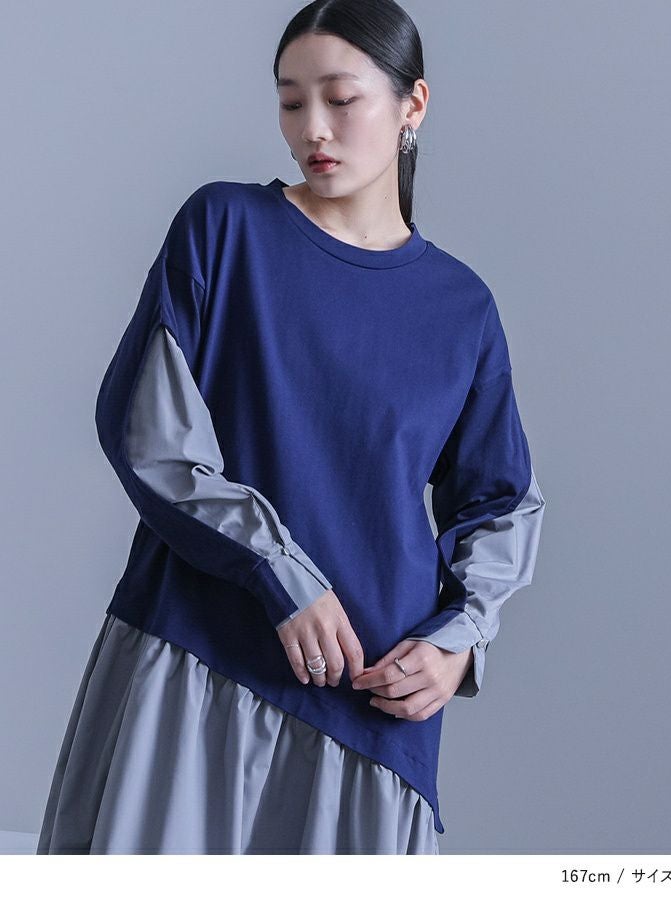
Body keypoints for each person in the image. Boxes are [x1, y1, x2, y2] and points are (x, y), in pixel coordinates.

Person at [36, 0, 545, 855]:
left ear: (413, 104)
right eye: (290, 101)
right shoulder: (225, 230)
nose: (313, 128)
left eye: (340, 100)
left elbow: (502, 503)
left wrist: (459, 642)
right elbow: (147, 433)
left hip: (370, 707)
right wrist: (278, 572)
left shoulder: (462, 309)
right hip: (195, 654)